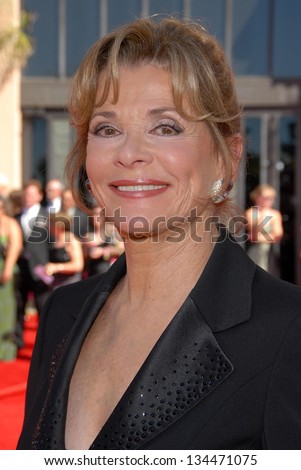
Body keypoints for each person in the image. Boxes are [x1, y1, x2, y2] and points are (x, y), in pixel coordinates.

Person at [17, 17, 301, 450]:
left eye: (165, 127)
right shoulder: (63, 313)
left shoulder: (288, 331)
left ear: (227, 158)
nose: (129, 153)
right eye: (107, 129)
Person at [14, 180, 51, 349]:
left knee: (43, 308)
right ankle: (17, 342)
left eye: (31, 194)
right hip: (20, 270)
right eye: (25, 194)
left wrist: (51, 266)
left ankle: (44, 346)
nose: (27, 197)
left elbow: (53, 243)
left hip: (41, 270)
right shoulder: (15, 218)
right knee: (18, 306)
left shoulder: (48, 216)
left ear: (39, 196)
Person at [0, 196, 22, 360]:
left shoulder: (10, 224)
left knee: (5, 309)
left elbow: (15, 246)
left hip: (4, 271)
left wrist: (7, 269)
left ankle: (5, 349)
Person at [245, 184, 283, 275]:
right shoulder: (251, 212)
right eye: (267, 197)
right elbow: (253, 234)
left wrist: (261, 237)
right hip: (255, 251)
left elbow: (278, 235)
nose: (270, 200)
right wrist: (262, 216)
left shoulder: (275, 214)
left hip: (269, 252)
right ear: (257, 197)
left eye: (272, 198)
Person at [43, 211, 84, 289]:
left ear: (59, 225)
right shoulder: (53, 240)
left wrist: (57, 267)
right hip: (56, 284)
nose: (49, 226)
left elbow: (78, 265)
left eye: (51, 223)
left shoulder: (71, 241)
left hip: (70, 284)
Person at [82, 205, 124, 277]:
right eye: (93, 214)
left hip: (111, 273)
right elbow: (83, 257)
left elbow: (122, 250)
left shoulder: (112, 232)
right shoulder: (88, 236)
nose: (96, 217)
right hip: (93, 274)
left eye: (99, 215)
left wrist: (103, 252)